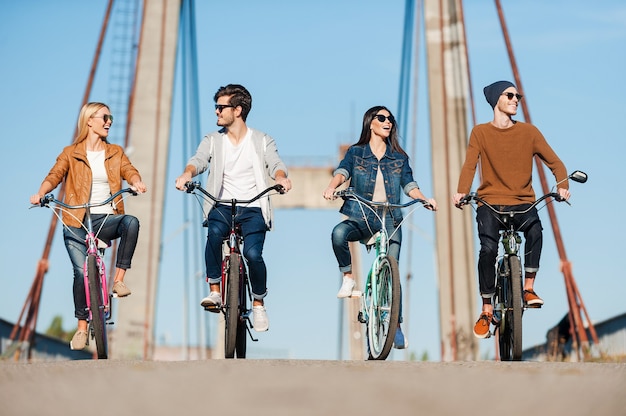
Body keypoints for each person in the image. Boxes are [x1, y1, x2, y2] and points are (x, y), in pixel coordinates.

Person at [453, 80, 570, 339]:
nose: (516, 99)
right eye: (510, 95)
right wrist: (462, 191)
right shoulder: (480, 133)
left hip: (523, 202)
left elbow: (555, 162)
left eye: (518, 96)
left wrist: (562, 185)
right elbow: (469, 166)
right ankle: (486, 309)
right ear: (497, 100)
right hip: (490, 202)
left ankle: (528, 287)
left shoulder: (529, 132)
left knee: (537, 231)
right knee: (488, 250)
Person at [175, 84, 292, 332]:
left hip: (253, 207)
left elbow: (275, 164)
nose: (216, 112)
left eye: (221, 107)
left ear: (237, 110)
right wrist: (187, 174)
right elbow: (199, 161)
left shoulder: (262, 141)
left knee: (253, 255)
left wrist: (280, 178)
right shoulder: (213, 140)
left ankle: (259, 304)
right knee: (215, 235)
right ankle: (215, 290)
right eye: (216, 107)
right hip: (221, 204)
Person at [30, 102, 147, 350]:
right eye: (105, 117)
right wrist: (40, 193)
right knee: (81, 272)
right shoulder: (70, 153)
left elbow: (129, 170)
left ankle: (118, 280)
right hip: (75, 219)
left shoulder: (115, 152)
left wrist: (136, 181)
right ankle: (82, 327)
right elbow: (55, 175)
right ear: (89, 120)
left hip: (105, 217)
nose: (109, 122)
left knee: (131, 223)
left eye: (110, 118)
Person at [322, 105, 437, 349]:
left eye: (390, 119)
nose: (388, 122)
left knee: (392, 272)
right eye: (382, 118)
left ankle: (395, 325)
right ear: (370, 123)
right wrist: (332, 186)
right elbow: (342, 172)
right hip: (362, 214)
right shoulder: (356, 152)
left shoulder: (399, 157)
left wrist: (423, 197)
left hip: (390, 218)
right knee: (338, 234)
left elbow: (408, 184)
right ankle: (348, 277)